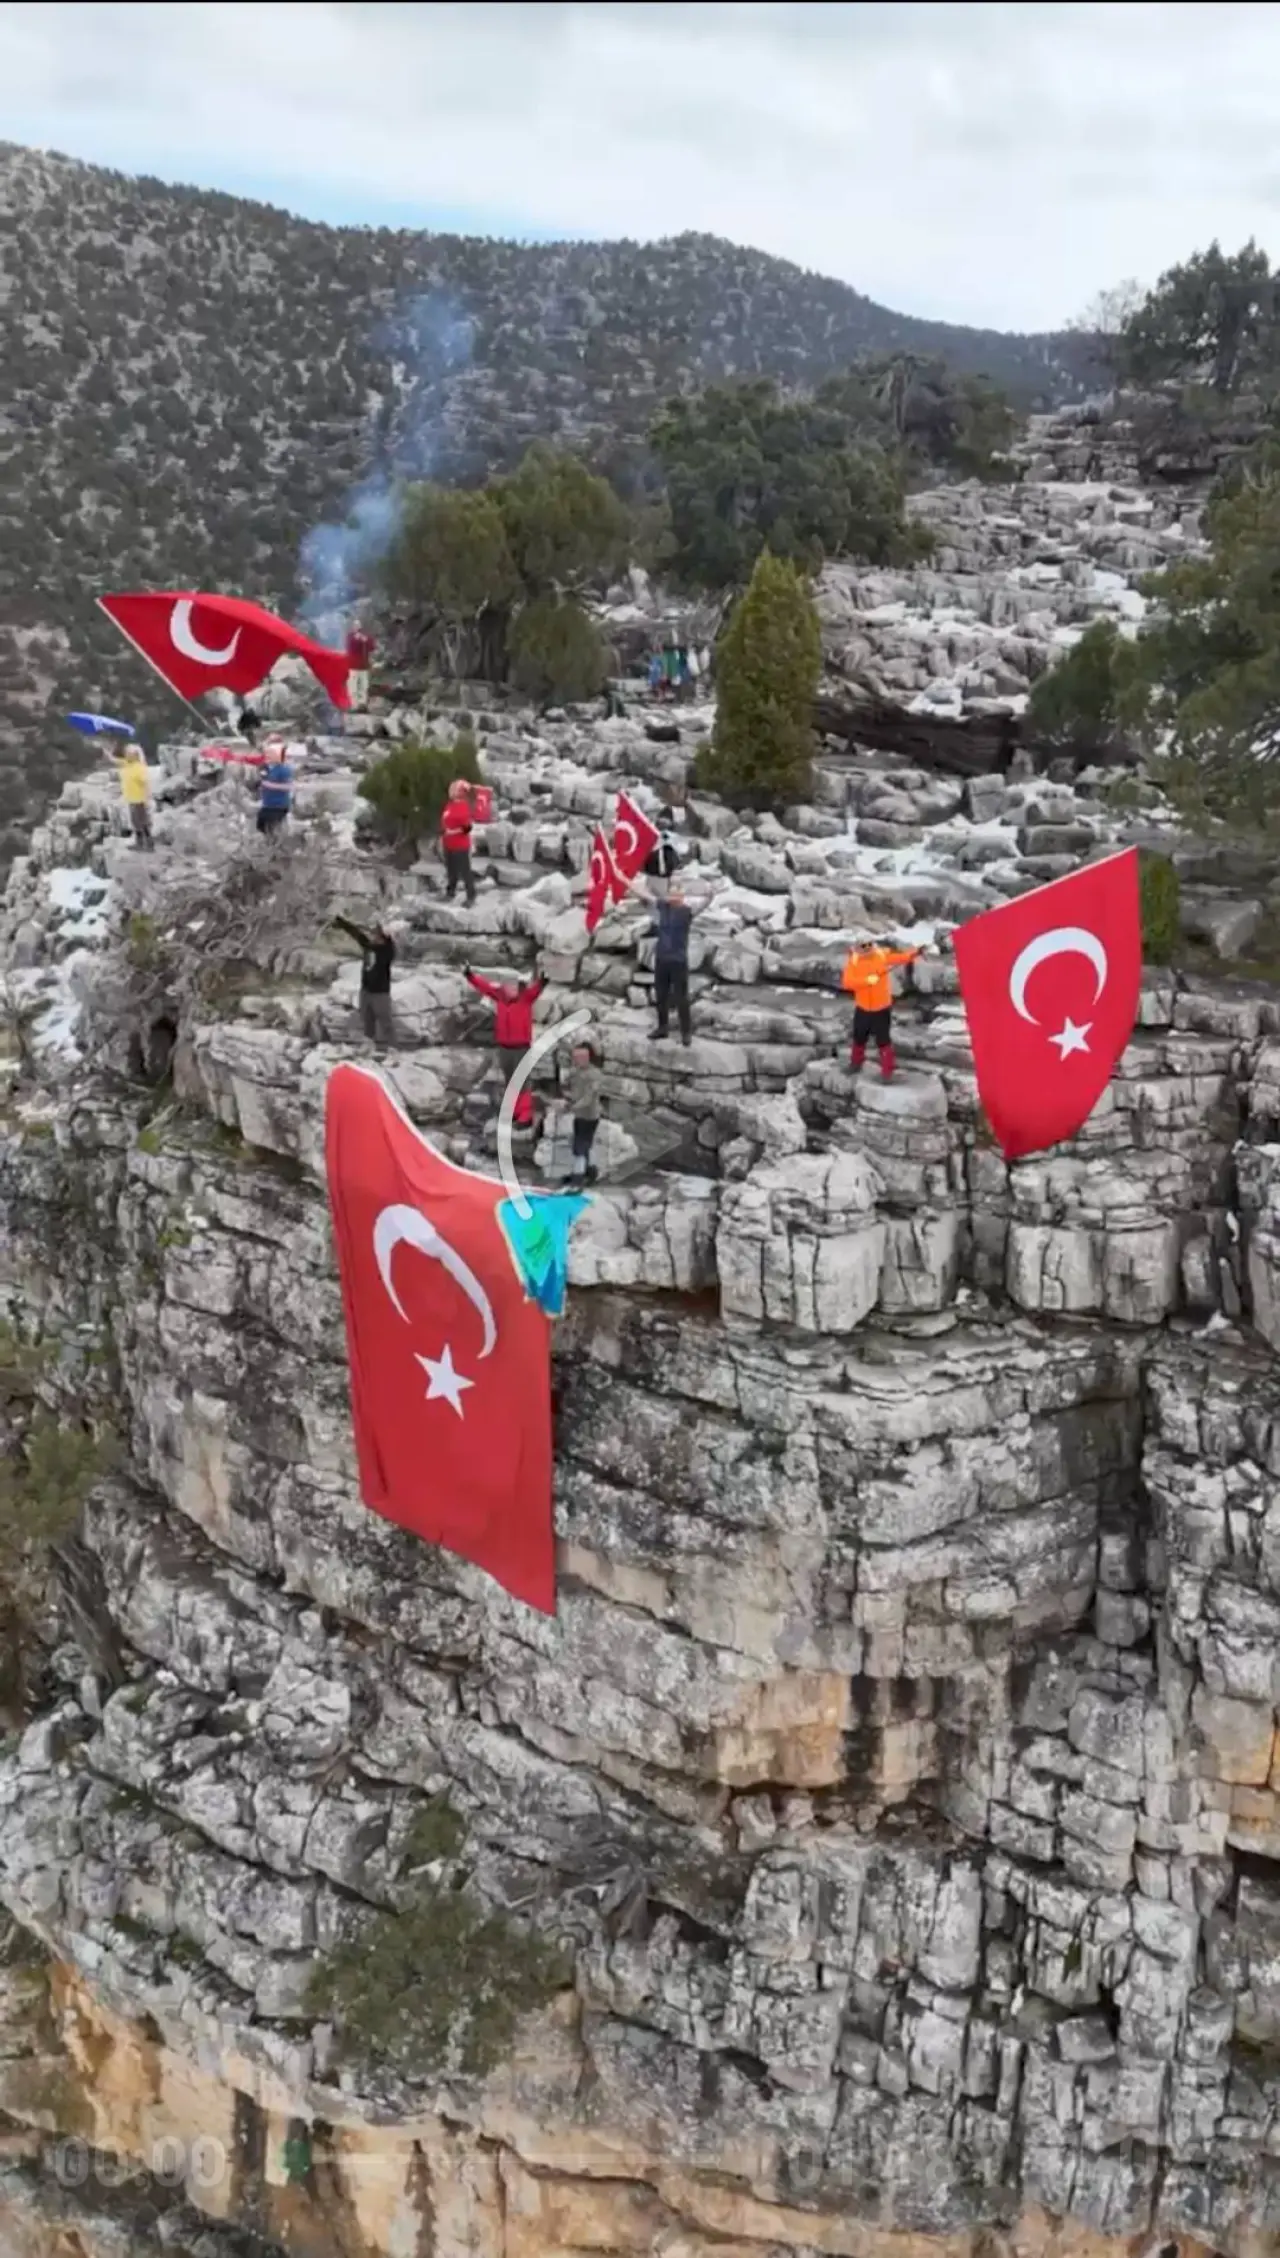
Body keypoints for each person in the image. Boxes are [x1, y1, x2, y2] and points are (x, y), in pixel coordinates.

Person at [840, 936, 923, 1081]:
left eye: (869, 945)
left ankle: (887, 1072)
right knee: (859, 1037)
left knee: (883, 1040)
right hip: (863, 1007)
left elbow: (901, 958)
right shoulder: (853, 962)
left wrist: (916, 952)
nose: (867, 949)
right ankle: (856, 1063)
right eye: (863, 947)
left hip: (881, 1008)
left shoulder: (881, 955)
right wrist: (866, 981)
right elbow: (847, 982)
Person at [464, 964, 546, 1094]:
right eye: (508, 985)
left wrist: (542, 981)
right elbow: (484, 987)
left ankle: (523, 1110)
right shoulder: (499, 997)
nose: (512, 988)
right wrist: (469, 976)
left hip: (521, 1048)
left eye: (515, 985)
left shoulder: (526, 998)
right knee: (509, 1080)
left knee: (522, 1081)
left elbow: (537, 989)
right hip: (504, 1048)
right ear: (504, 987)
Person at [649, 884, 698, 1045]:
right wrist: (623, 879)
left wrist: (711, 896)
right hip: (662, 958)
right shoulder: (663, 906)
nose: (674, 897)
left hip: (678, 960)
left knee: (681, 997)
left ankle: (686, 1032)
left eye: (678, 895)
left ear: (682, 897)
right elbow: (645, 896)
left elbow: (703, 906)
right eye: (672, 894)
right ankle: (663, 1028)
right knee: (661, 994)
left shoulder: (686, 912)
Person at [335, 916, 396, 1043]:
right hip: (366, 991)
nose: (374, 937)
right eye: (374, 935)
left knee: (386, 1023)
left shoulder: (386, 952)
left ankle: (392, 1049)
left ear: (383, 939)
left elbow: (389, 941)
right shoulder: (368, 946)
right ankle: (369, 1045)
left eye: (377, 936)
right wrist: (342, 922)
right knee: (368, 1021)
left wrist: (385, 930)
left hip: (380, 994)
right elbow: (356, 934)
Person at [562, 1039, 603, 1183]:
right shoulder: (575, 1072)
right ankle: (589, 1172)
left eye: (580, 1058)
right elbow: (568, 1088)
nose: (576, 1061)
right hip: (579, 1115)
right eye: (575, 1058)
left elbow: (589, 1098)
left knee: (580, 1146)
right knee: (582, 1145)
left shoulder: (595, 1074)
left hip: (590, 1116)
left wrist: (571, 1107)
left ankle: (578, 1177)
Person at [440, 782, 476, 904]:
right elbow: (444, 819)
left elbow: (468, 828)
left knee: (465, 872)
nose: (451, 791)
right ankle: (450, 892)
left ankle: (471, 896)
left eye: (454, 789)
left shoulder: (463, 807)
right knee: (451, 871)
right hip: (448, 844)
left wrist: (452, 832)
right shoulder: (449, 805)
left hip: (460, 845)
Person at [116, 742, 153, 850]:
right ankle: (145, 844)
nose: (126, 755)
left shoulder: (139, 767)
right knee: (138, 822)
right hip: (132, 799)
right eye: (126, 753)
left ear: (135, 755)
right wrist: (105, 752)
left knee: (140, 823)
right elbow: (115, 761)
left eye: (129, 753)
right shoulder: (128, 764)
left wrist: (147, 799)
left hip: (139, 800)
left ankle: (144, 844)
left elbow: (146, 783)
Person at [256, 747, 295, 836]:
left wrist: (271, 786)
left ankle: (278, 844)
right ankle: (269, 843)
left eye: (270, 754)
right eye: (266, 754)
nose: (267, 756)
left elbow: (289, 786)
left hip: (279, 805)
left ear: (277, 756)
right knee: (261, 826)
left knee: (274, 828)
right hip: (267, 804)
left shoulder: (283, 769)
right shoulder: (264, 768)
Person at [345, 625, 375, 711]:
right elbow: (350, 647)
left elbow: (372, 647)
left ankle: (363, 704)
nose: (357, 628)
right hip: (353, 666)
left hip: (364, 666)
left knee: (364, 686)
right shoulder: (350, 636)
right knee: (352, 686)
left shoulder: (367, 637)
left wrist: (366, 641)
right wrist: (357, 640)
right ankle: (353, 705)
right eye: (355, 626)